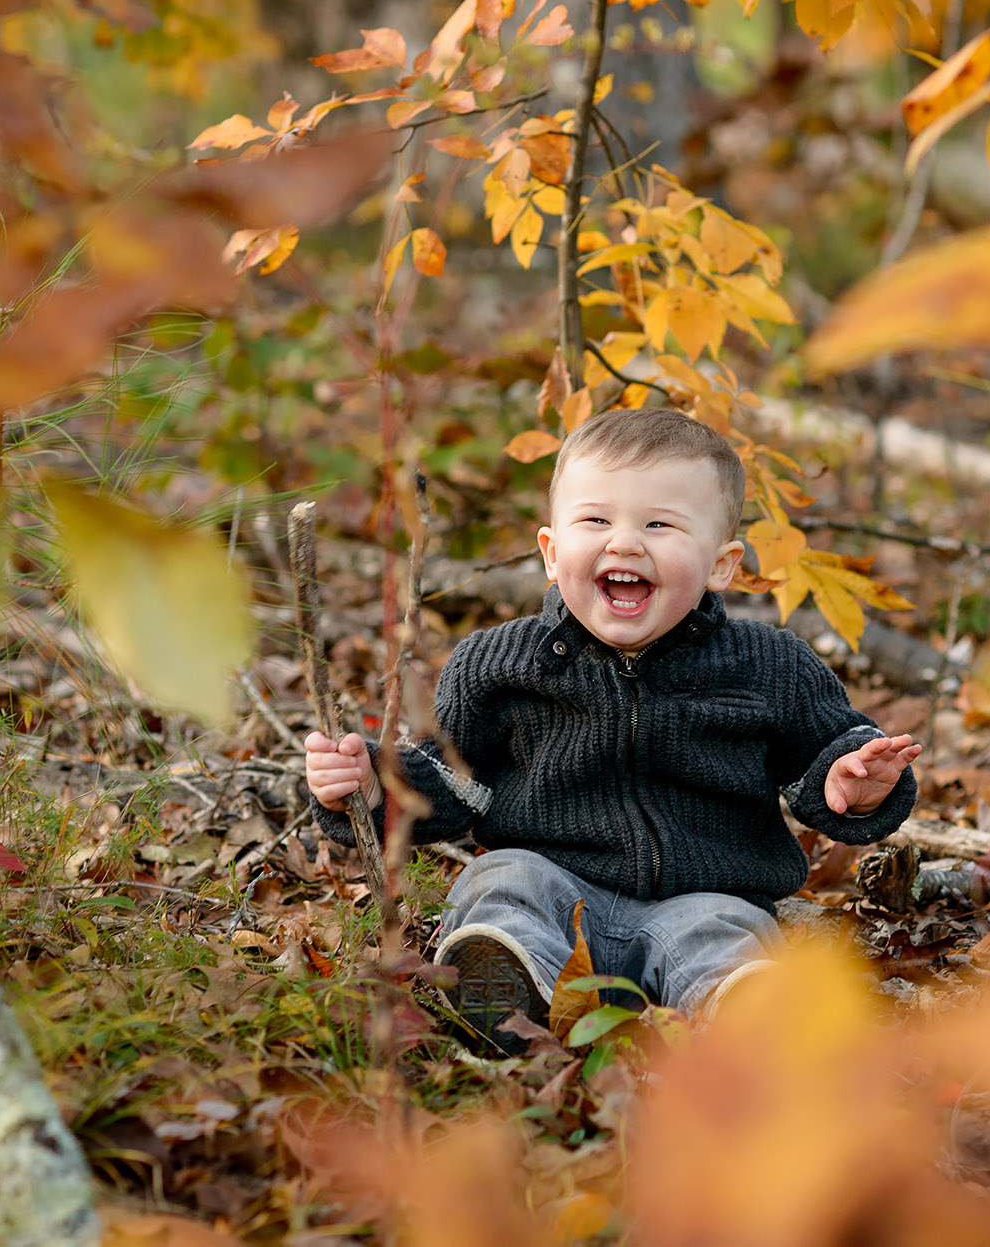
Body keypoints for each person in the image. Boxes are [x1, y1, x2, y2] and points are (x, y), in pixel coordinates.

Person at [304, 408, 920, 1051]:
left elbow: (821, 759)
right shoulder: (497, 664)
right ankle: (509, 992)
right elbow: (455, 784)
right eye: (596, 520)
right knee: (504, 880)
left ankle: (740, 1011)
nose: (624, 543)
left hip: (703, 895)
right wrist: (372, 784)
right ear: (550, 551)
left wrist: (855, 778)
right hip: (555, 888)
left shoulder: (770, 666)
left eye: (659, 524)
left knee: (722, 934)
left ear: (722, 565)